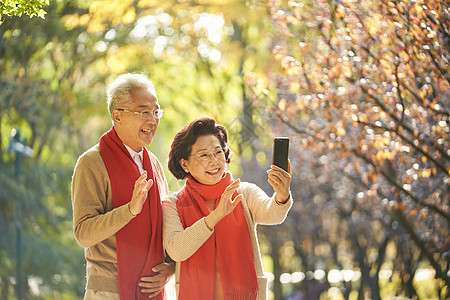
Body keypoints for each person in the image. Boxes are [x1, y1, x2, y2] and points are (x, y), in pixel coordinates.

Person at [163, 117, 293, 300]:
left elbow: (272, 214)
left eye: (218, 152)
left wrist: (281, 195)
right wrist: (215, 216)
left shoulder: (243, 192)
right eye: (204, 155)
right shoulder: (172, 204)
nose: (214, 161)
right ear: (185, 164)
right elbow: (177, 250)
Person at [71, 73, 174, 300]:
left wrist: (170, 267)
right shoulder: (92, 163)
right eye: (144, 112)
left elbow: (168, 224)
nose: (153, 120)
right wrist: (129, 211)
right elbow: (83, 234)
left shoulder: (154, 164)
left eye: (156, 112)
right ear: (118, 116)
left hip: (154, 291)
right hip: (109, 291)